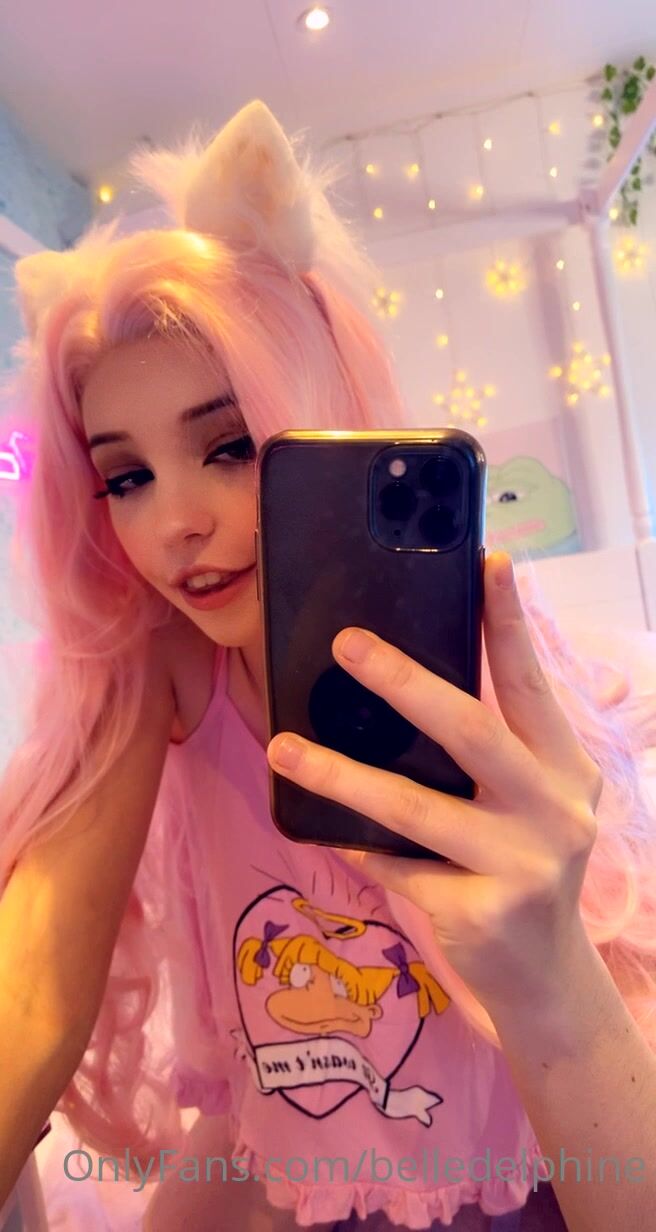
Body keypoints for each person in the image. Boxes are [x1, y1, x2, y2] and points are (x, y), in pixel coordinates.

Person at [0, 99, 655, 1232]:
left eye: (228, 446)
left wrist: (553, 964)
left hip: (522, 1174)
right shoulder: (169, 676)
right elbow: (42, 986)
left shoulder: (484, 667)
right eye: (126, 477)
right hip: (303, 1187)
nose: (175, 523)